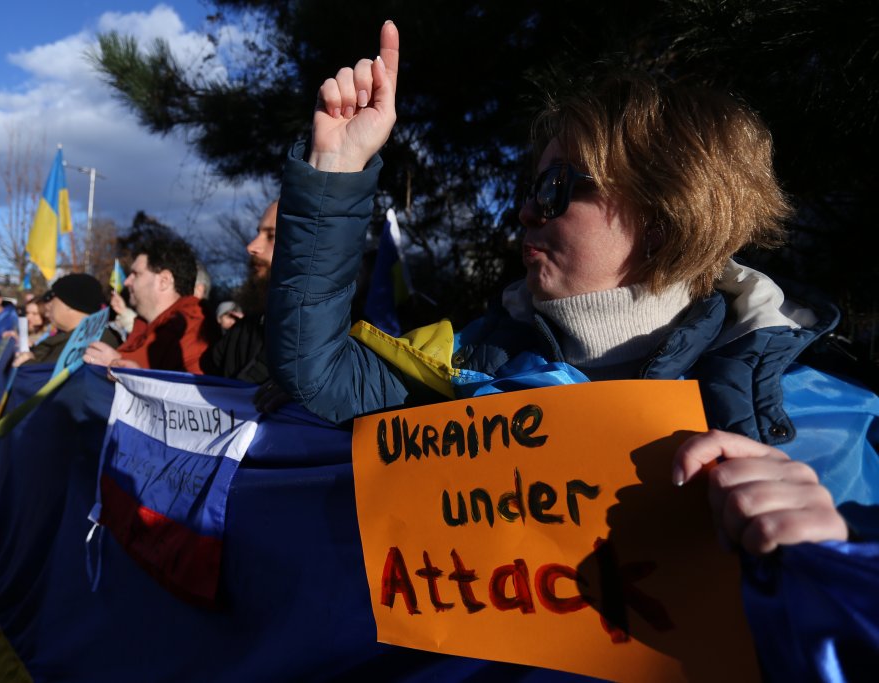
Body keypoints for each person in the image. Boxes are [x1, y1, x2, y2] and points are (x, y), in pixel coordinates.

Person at [266, 20, 879, 660]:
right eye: (531, 189)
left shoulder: (829, 408)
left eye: (557, 188)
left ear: (668, 211)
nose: (527, 212)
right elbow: (319, 372)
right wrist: (336, 168)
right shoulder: (472, 357)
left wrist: (849, 543)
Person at [83, 227, 207, 373]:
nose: (127, 282)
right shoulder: (144, 328)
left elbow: (188, 391)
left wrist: (120, 369)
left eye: (136, 274)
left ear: (164, 281)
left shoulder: (193, 329)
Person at [201, 201, 277, 384]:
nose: (251, 246)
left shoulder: (341, 334)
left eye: (271, 236)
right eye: (258, 233)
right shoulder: (246, 328)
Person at [13, 273, 119, 367]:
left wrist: (28, 365)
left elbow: (54, 383)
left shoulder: (94, 342)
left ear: (69, 304)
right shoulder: (76, 336)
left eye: (53, 297)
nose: (48, 305)